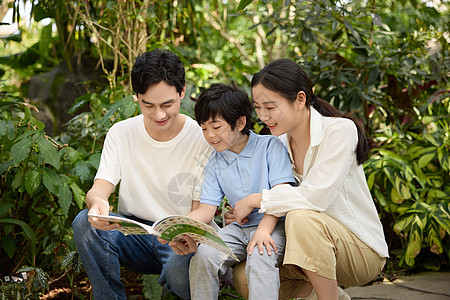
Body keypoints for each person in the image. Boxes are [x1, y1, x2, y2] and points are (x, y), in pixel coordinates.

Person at [230, 58, 389, 300]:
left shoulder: (339, 131)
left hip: (359, 252)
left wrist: (255, 200)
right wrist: (238, 213)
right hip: (307, 253)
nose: (263, 115)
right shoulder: (277, 145)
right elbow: (273, 202)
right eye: (258, 107)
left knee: (301, 217)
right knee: (245, 275)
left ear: (300, 99)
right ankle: (321, 293)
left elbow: (316, 197)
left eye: (270, 107)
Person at [72, 49, 212, 300]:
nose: (159, 115)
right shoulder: (121, 133)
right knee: (84, 223)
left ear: (182, 92)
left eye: (167, 104)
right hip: (133, 234)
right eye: (148, 105)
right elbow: (99, 189)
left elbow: (201, 209)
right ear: (136, 96)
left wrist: (186, 232)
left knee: (182, 275)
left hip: (178, 238)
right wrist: (98, 204)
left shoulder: (201, 138)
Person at [182, 83, 296, 299]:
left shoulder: (269, 147)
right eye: (204, 128)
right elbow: (206, 210)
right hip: (238, 231)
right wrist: (180, 224)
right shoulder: (214, 162)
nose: (210, 135)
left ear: (240, 122)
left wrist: (263, 230)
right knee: (204, 254)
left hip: (274, 226)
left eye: (216, 127)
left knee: (261, 255)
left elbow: (281, 195)